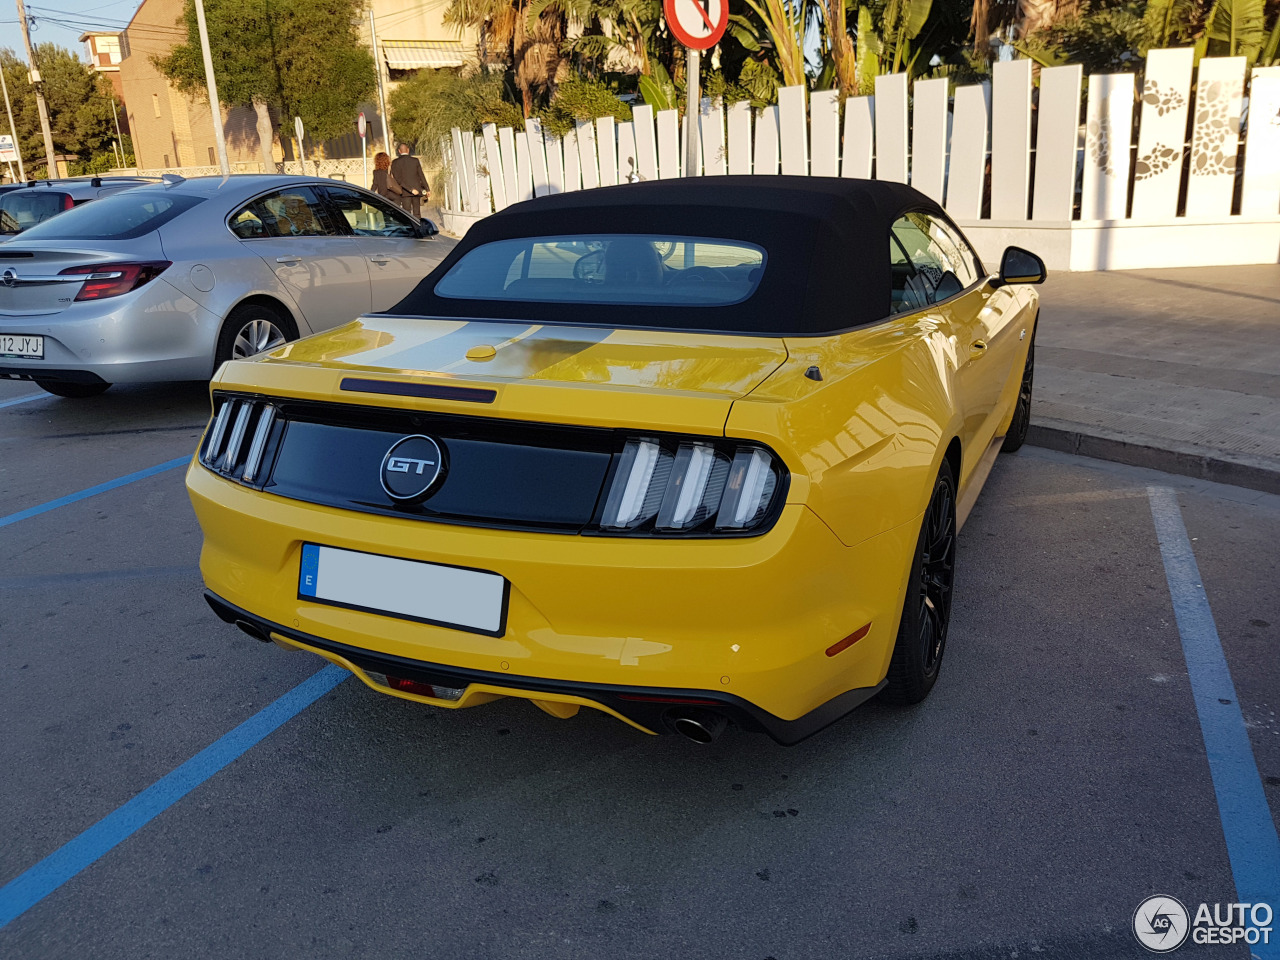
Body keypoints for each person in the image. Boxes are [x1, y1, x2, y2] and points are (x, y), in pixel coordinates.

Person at [390, 143, 429, 218]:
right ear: (408, 150)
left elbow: (398, 180)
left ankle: (409, 228)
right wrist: (427, 189)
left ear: (399, 151)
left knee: (407, 213)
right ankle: (418, 228)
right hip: (417, 191)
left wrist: (410, 189)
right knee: (417, 213)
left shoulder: (395, 162)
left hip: (404, 192)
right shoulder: (415, 161)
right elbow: (421, 175)